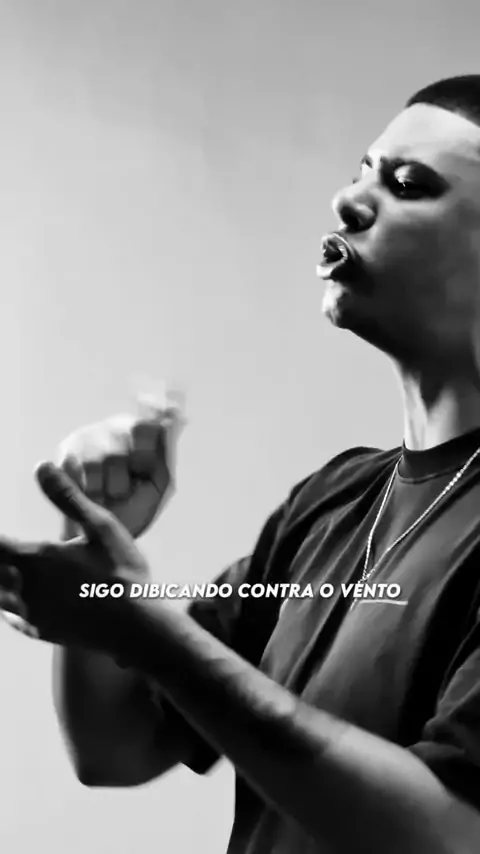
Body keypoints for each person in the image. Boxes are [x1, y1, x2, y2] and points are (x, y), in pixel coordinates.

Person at [3, 73, 480, 854]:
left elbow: (449, 835)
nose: (348, 201)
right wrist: (95, 559)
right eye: (361, 172)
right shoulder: (331, 502)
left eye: (407, 185)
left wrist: (148, 633)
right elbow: (117, 749)